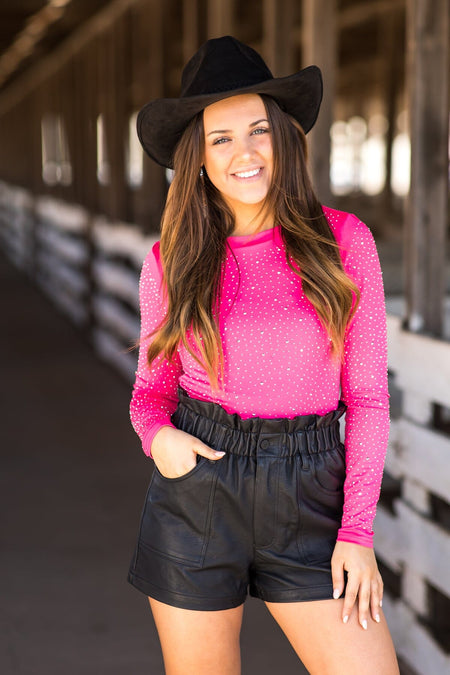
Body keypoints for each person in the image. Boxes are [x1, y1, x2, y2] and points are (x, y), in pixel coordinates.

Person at [127, 36, 400, 675]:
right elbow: (151, 391)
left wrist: (357, 532)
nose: (243, 153)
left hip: (311, 492)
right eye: (220, 139)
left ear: (284, 138)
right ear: (195, 158)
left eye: (258, 131)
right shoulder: (172, 260)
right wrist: (156, 437)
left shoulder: (342, 240)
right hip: (199, 488)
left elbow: (367, 397)